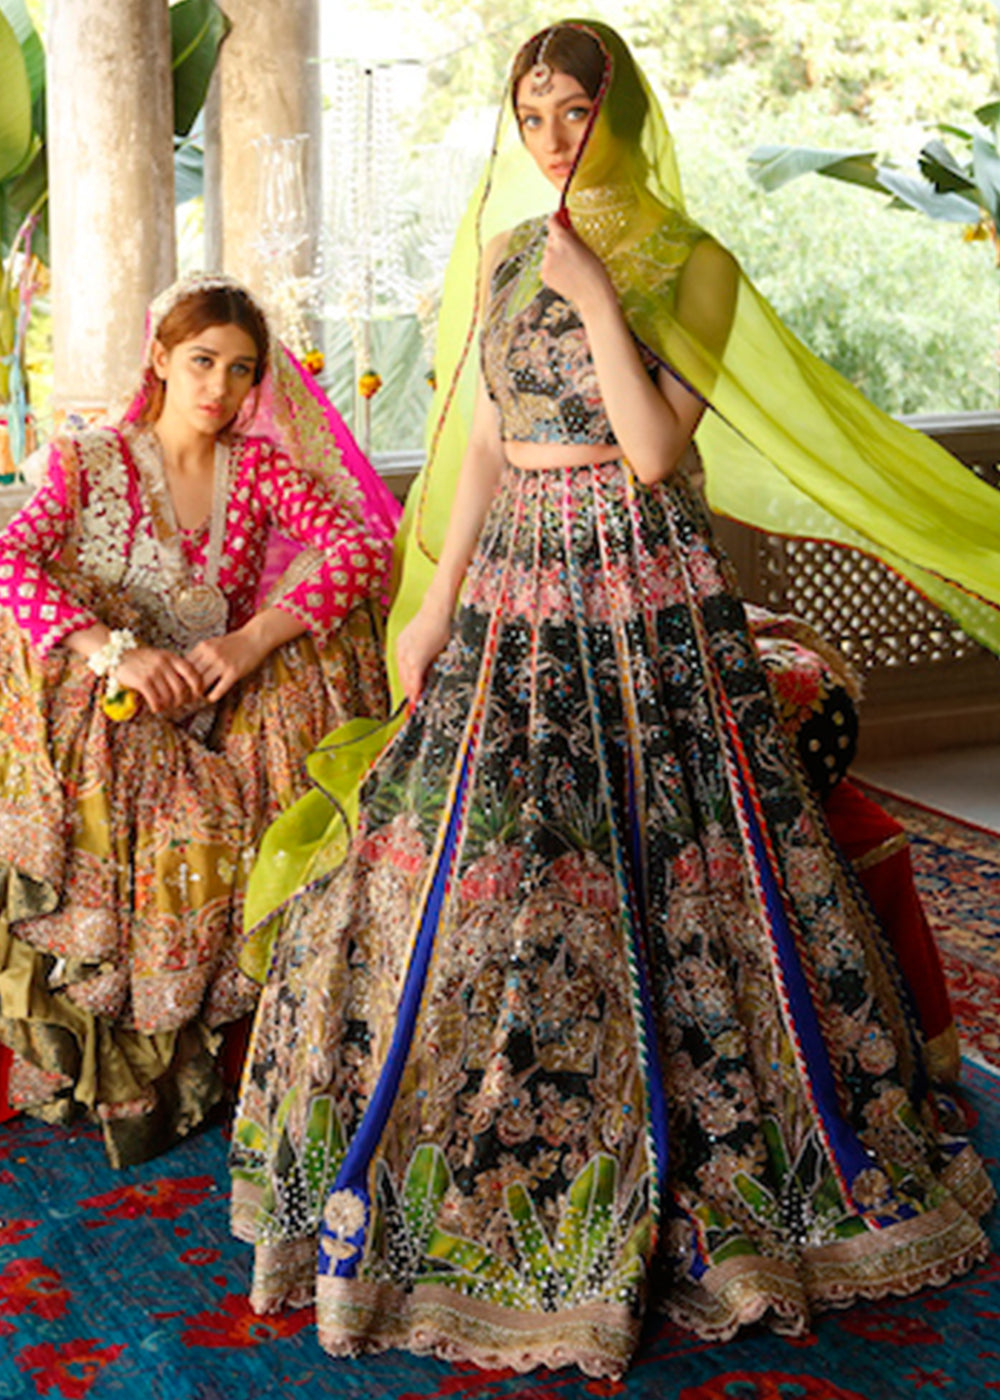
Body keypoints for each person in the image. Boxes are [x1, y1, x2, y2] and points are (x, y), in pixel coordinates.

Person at [229, 23, 996, 1379]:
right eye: (529, 115)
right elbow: (482, 439)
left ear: (618, 114)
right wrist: (433, 599)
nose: (550, 140)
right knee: (485, 854)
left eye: (573, 112)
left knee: (676, 856)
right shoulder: (504, 252)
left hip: (641, 577)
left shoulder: (693, 263)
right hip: (511, 579)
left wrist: (593, 295)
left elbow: (650, 450)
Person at [0, 273, 400, 1168]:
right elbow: (10, 563)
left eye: (241, 368)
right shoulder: (88, 461)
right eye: (201, 361)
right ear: (160, 358)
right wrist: (115, 653)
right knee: (33, 645)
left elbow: (361, 548)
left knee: (330, 637)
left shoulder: (256, 469)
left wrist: (255, 640)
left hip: (220, 713)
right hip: (111, 716)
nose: (220, 386)